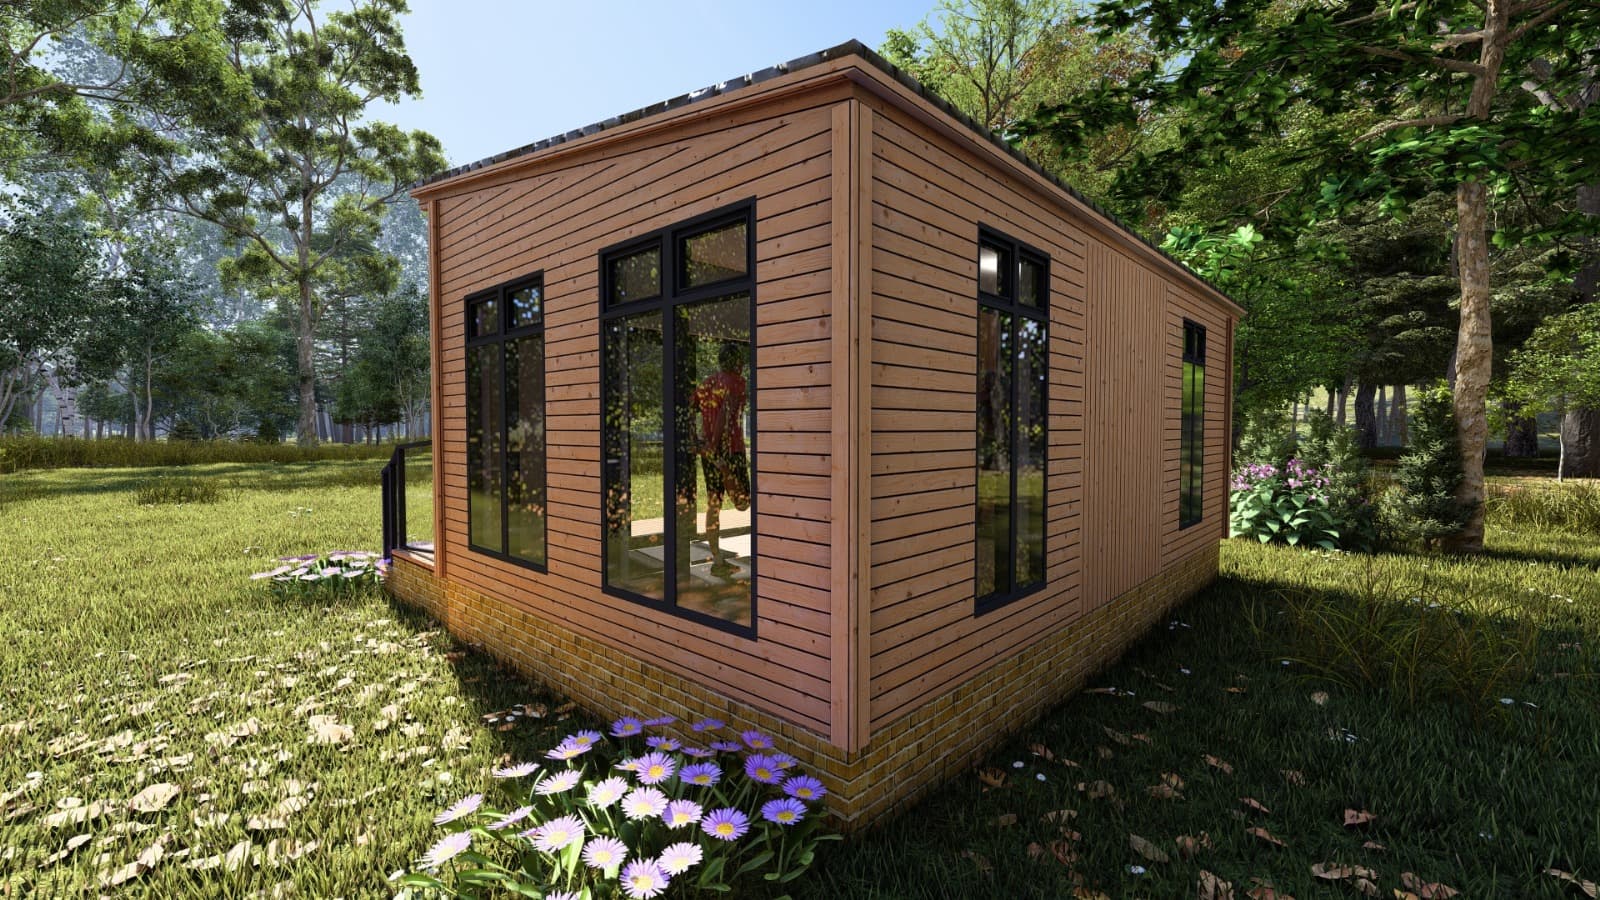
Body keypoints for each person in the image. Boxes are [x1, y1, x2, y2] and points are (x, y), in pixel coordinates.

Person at [692, 341, 750, 576]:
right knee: (743, 502)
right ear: (736, 362)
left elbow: (688, 406)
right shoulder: (736, 382)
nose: (743, 365)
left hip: (710, 452)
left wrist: (698, 443)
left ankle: (717, 561)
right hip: (730, 450)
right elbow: (725, 413)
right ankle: (724, 469)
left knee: (714, 504)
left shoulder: (707, 384)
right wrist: (716, 446)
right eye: (741, 361)